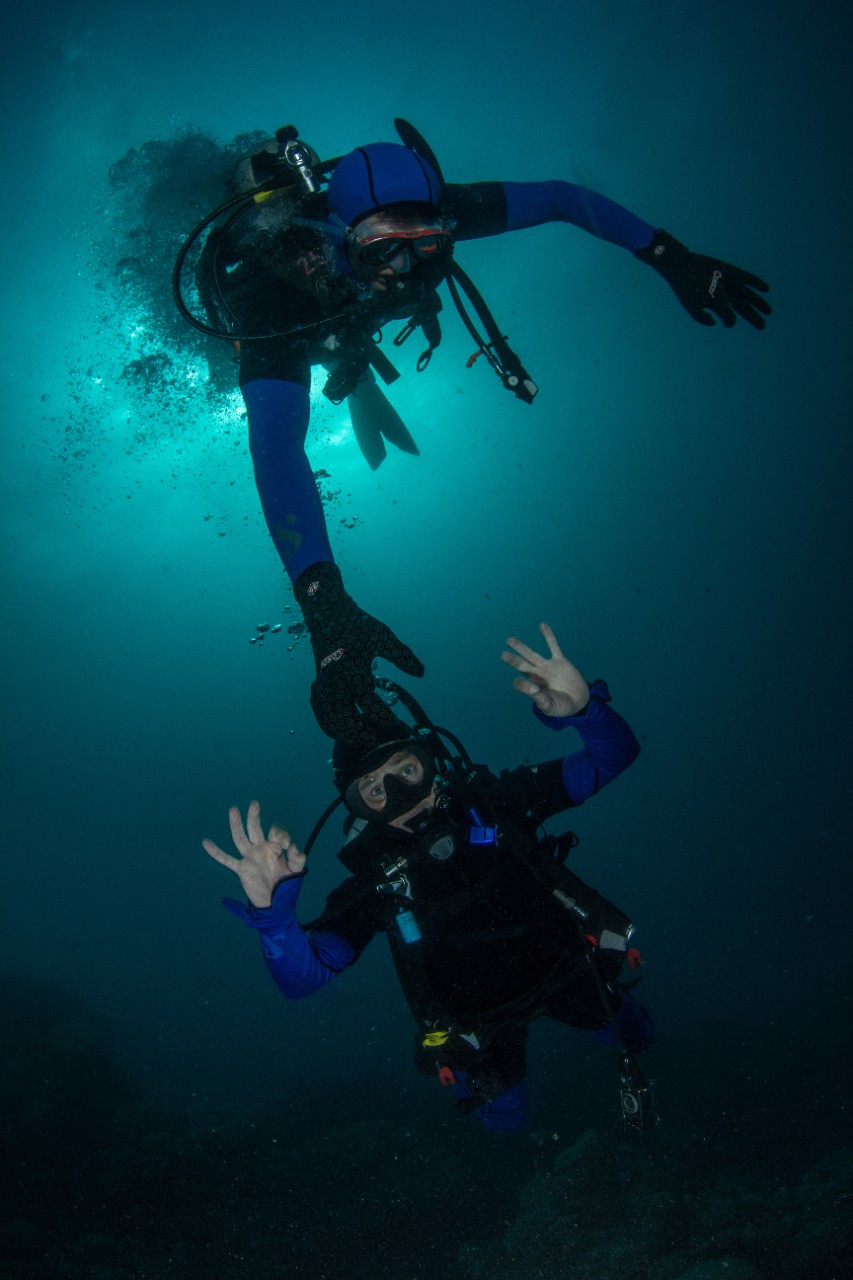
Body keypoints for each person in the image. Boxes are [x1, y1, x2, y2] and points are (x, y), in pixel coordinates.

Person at [177, 120, 771, 746]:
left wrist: (666, 254)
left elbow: (561, 198)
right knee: (302, 352)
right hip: (297, 321)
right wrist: (323, 603)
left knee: (351, 328)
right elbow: (276, 449)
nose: (405, 268)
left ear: (442, 224)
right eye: (382, 248)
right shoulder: (272, 296)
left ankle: (353, 363)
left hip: (346, 315)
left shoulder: (447, 210)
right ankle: (347, 363)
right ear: (336, 233)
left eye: (427, 244)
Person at [203, 621, 656, 1133]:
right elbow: (303, 981)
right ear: (358, 809)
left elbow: (614, 758)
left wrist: (584, 712)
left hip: (570, 967)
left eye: (406, 771)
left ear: (431, 762)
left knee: (638, 1037)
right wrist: (275, 917)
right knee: (506, 1123)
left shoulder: (496, 804)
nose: (399, 796)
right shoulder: (377, 881)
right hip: (476, 1025)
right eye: (374, 790)